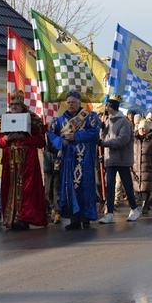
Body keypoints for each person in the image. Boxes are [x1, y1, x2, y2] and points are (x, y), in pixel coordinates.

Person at [0, 90, 47, 230]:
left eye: (17, 104)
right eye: (12, 105)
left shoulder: (33, 119)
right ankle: (11, 217)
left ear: (23, 106)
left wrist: (25, 138)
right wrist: (6, 139)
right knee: (10, 187)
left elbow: (41, 141)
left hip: (27, 159)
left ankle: (24, 218)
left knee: (27, 189)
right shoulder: (1, 120)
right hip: (9, 158)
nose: (14, 107)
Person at [48, 90, 101, 230]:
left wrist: (76, 137)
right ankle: (74, 219)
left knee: (85, 187)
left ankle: (86, 218)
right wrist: (61, 142)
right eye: (69, 102)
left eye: (73, 102)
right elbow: (51, 134)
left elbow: (94, 132)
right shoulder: (59, 120)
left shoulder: (89, 117)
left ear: (79, 103)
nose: (70, 104)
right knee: (69, 186)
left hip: (85, 159)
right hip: (68, 160)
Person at [98, 95, 141, 223]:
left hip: (122, 159)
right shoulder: (107, 121)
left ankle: (134, 208)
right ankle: (110, 212)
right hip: (110, 159)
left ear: (112, 107)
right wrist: (101, 129)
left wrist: (103, 143)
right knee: (109, 185)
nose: (106, 109)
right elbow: (103, 138)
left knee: (127, 185)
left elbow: (122, 140)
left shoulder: (124, 122)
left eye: (108, 106)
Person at [132, 118, 152, 214]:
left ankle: (145, 204)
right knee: (137, 187)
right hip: (136, 168)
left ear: (148, 129)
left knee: (146, 187)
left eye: (144, 128)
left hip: (148, 167)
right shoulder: (134, 140)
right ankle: (140, 203)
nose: (142, 130)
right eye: (140, 128)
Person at [43, 137, 61, 224]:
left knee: (55, 190)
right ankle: (52, 208)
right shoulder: (45, 135)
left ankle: (57, 211)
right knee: (47, 191)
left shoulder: (57, 134)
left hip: (57, 163)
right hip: (47, 166)